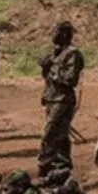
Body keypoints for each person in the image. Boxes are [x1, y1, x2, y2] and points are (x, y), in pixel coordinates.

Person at [37, 21, 84, 180]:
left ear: (65, 34)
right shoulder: (55, 52)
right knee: (60, 136)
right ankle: (61, 170)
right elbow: (48, 76)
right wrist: (45, 67)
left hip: (63, 99)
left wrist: (51, 69)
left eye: (55, 32)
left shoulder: (73, 54)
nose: (52, 35)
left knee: (50, 134)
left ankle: (44, 168)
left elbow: (71, 80)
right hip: (51, 97)